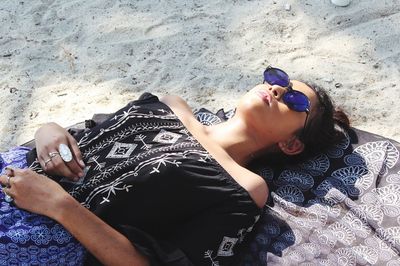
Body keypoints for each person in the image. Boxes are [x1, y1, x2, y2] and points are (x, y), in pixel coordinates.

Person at [0, 67, 349, 265]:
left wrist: (59, 206)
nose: (276, 89)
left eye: (294, 100)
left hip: (37, 241)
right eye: (279, 79)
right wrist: (48, 130)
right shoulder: (170, 103)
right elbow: (87, 132)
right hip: (13, 171)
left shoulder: (244, 188)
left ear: (291, 144)